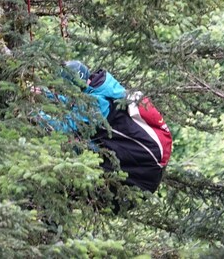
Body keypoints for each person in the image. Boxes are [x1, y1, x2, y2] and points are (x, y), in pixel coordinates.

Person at [58, 60, 173, 193]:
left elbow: (65, 126)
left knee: (84, 194)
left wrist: (36, 114)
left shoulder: (99, 103)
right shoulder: (101, 89)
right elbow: (76, 104)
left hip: (142, 174)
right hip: (142, 167)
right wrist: (43, 94)